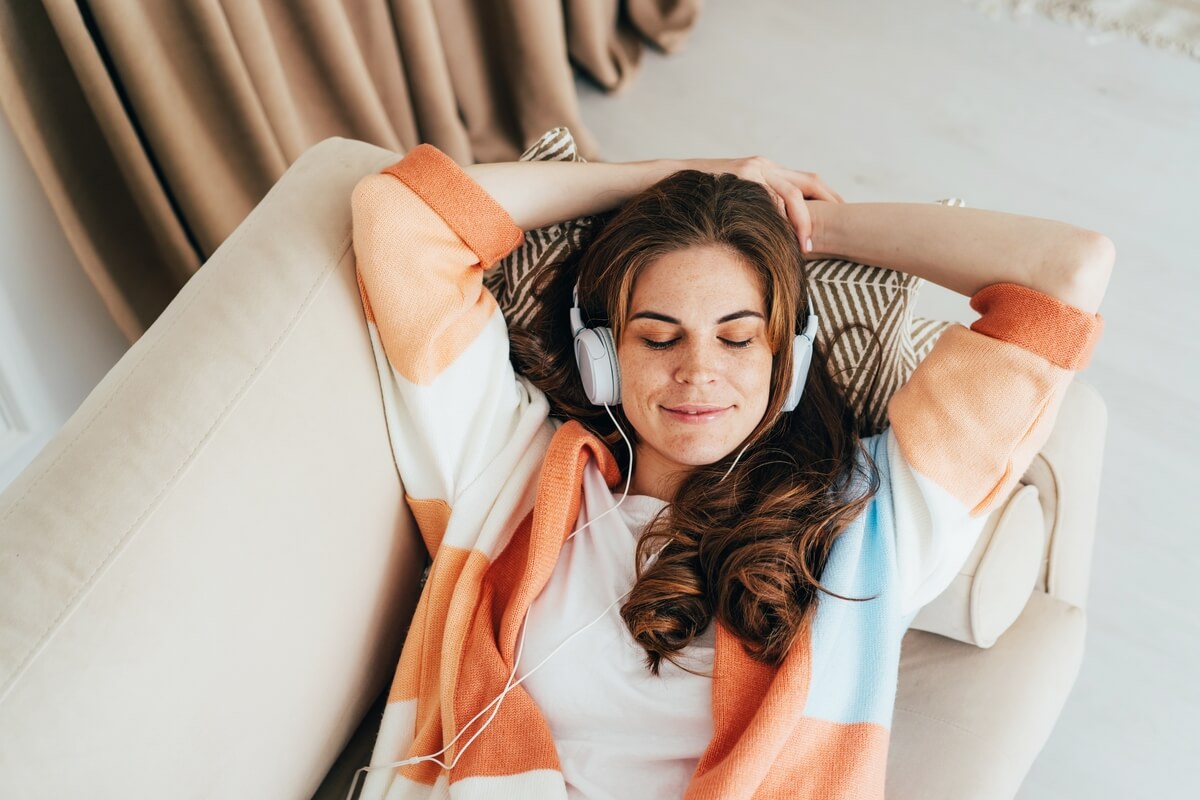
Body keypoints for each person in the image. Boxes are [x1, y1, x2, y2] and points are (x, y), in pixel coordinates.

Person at [346, 143, 1111, 799]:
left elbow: (1068, 272)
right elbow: (402, 216)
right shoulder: (512, 471)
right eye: (658, 338)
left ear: (791, 353)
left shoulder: (871, 522)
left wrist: (812, 226)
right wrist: (680, 175)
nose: (697, 374)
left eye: (738, 339)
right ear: (602, 359)